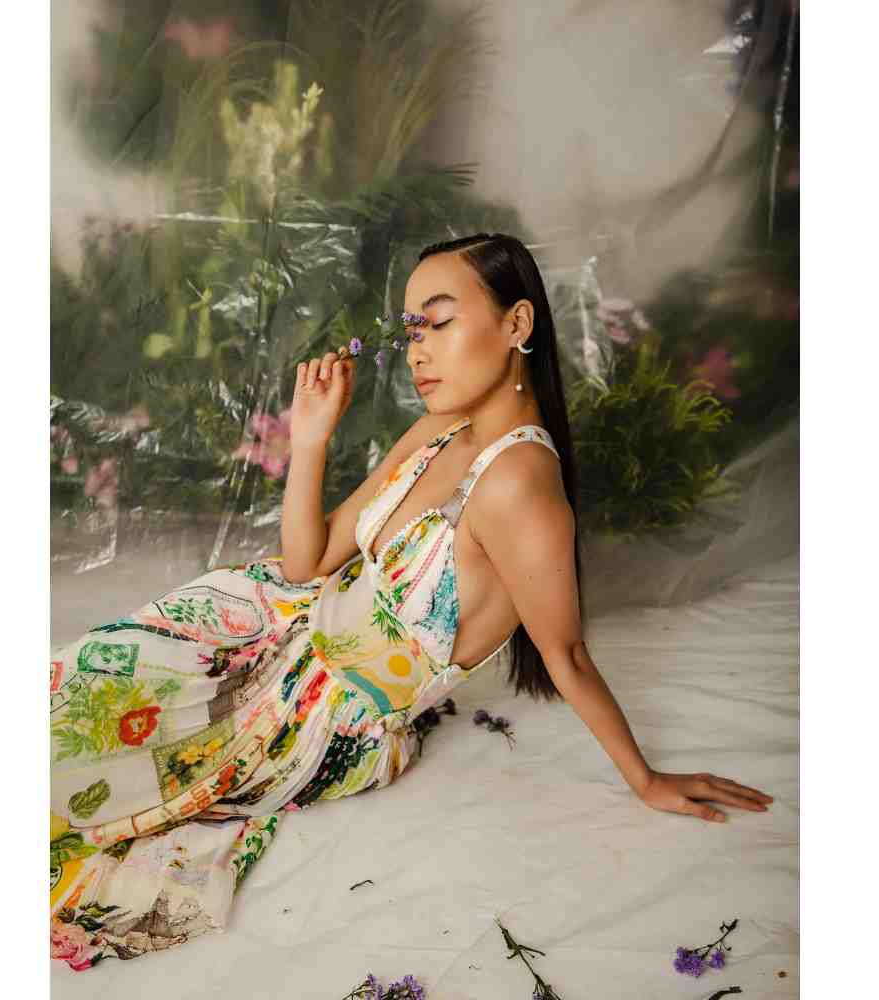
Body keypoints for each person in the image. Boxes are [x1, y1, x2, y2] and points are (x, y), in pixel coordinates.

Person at [49, 232, 773, 971]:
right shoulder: (439, 429)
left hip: (318, 718)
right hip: (280, 623)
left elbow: (567, 655)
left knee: (83, 761)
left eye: (441, 322)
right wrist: (310, 439)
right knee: (87, 674)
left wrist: (645, 780)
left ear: (517, 324)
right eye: (412, 331)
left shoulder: (517, 483)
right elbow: (308, 563)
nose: (418, 352)